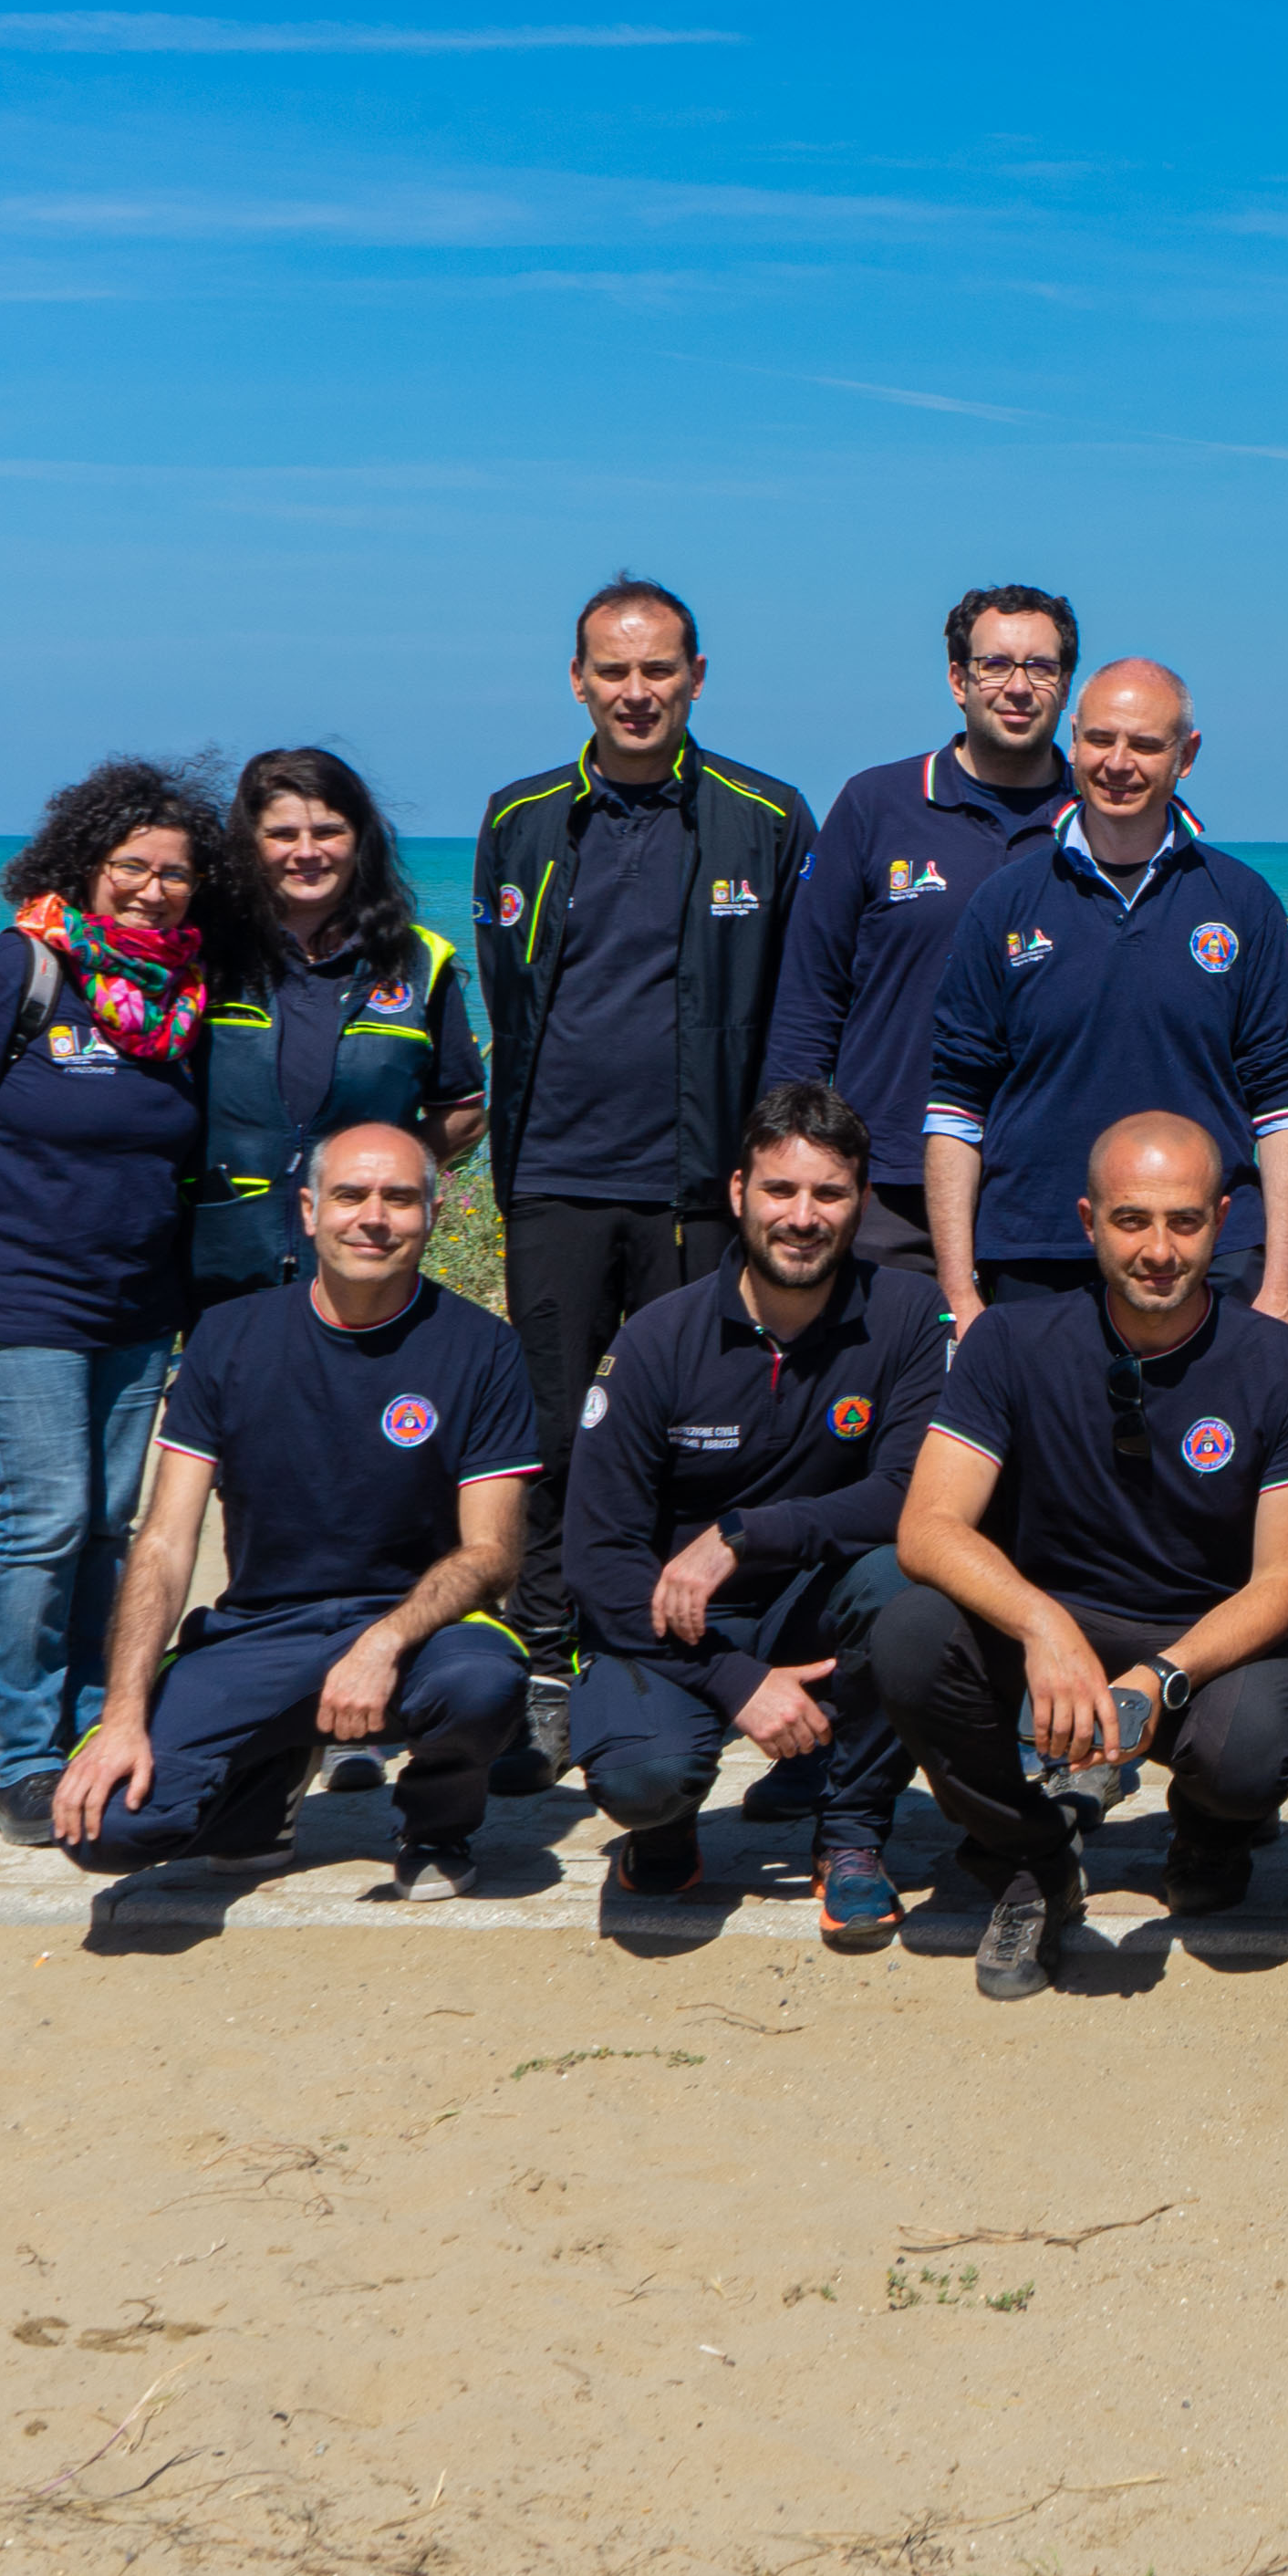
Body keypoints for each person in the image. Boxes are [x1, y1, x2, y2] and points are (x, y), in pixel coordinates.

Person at [875, 1112, 1288, 2001]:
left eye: (1184, 1220)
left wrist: (1157, 1677)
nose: (1158, 1248)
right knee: (910, 1634)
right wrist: (1043, 1624)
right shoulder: (1009, 1344)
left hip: (1202, 1641)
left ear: (1224, 1218)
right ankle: (1032, 1858)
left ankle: (1206, 1831)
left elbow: (1286, 1580)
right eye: (1132, 1220)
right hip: (1055, 1625)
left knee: (1263, 1735)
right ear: (1088, 1222)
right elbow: (928, 1527)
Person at [473, 576, 806, 1783]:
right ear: (577, 681)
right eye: (612, 670)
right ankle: (549, 1654)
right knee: (555, 1434)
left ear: (697, 679)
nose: (635, 691)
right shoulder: (518, 819)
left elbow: (792, 1005)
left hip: (695, 1188)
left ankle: (689, 1656)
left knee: (700, 1434)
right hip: (554, 1178)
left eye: (658, 669)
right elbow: (504, 998)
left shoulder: (763, 818)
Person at [0, 759, 235, 1848]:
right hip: (15, 1303)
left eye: (175, 873)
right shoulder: (5, 972)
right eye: (132, 866)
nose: (153, 890)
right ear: (86, 864)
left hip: (136, 1309)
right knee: (46, 1523)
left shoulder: (191, 993)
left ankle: (95, 1726)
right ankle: (17, 1755)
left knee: (114, 1532)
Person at [53, 1121, 540, 1900]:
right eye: (350, 1195)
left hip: (415, 1629)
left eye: (400, 1198)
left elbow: (492, 1557)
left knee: (485, 1684)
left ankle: (434, 1824)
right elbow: (165, 1542)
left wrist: (383, 1642)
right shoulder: (228, 1336)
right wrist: (122, 1718)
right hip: (262, 1629)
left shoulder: (482, 1348)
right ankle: (265, 1785)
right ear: (309, 1210)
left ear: (433, 1213)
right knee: (106, 1827)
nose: (373, 1217)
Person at [560, 1080, 946, 1936]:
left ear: (862, 1202)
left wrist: (744, 1533)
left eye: (829, 1193)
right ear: (739, 1194)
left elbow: (910, 1495)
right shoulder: (656, 1339)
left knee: (910, 1584)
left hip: (812, 1608)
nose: (802, 1216)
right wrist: (737, 1681)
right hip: (674, 1626)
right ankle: (665, 1834)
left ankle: (851, 1837)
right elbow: (597, 1559)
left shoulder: (911, 1317)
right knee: (644, 1780)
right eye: (780, 1189)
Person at [0, 746, 483, 1303]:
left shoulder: (419, 963)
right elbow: (87, 940)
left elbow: (462, 1111)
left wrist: (384, 1192)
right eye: (282, 834)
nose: (307, 852)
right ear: (248, 848)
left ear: (362, 841)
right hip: (211, 1267)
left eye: (328, 831)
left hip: (360, 1271)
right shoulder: (195, 953)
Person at [918, 658, 1288, 1327]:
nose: (1118, 763)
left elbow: (1280, 1106)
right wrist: (959, 1292)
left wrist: (1281, 1286)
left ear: (1186, 755)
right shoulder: (1004, 903)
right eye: (1100, 739)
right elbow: (956, 1107)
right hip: (1036, 1250)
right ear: (1072, 741)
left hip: (1208, 1253)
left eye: (1145, 744)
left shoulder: (1243, 903)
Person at [767, 588, 1083, 1277]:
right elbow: (809, 1000)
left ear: (1066, 683)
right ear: (957, 678)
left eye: (1042, 667)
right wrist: (791, 1156)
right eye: (995, 664)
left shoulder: (1099, 817)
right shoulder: (875, 805)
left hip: (1048, 1187)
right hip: (890, 1180)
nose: (1019, 687)